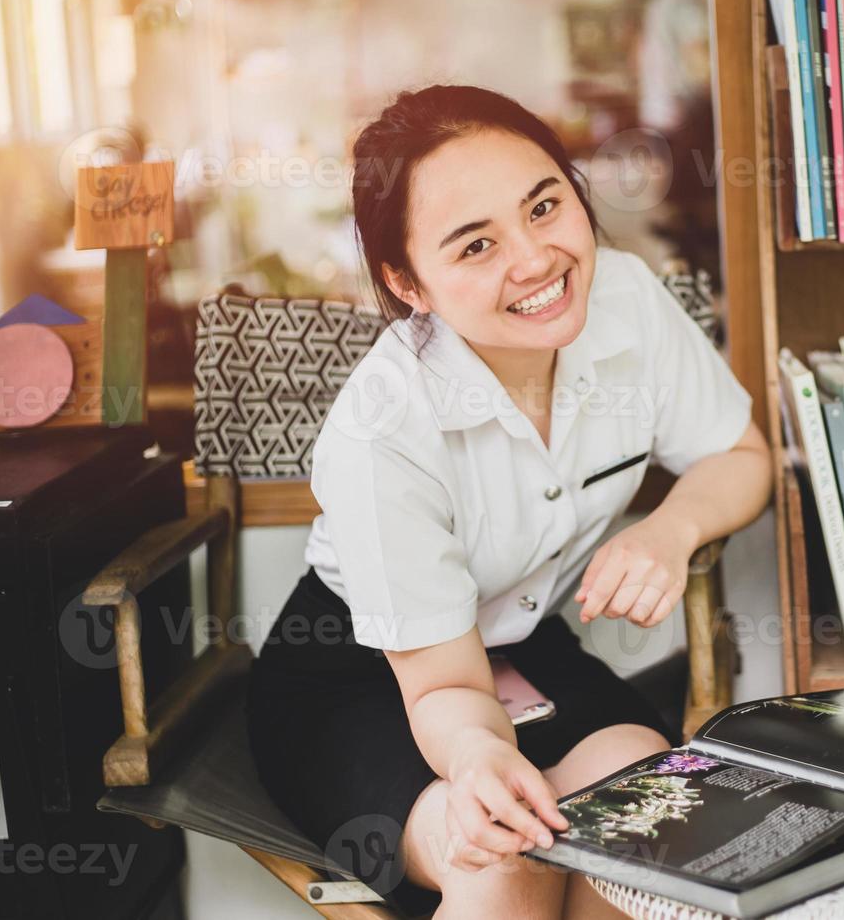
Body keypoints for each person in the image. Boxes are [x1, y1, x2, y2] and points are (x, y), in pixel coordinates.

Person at [246, 84, 772, 918]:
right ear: (407, 281)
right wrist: (479, 763)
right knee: (507, 860)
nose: (534, 261)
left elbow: (740, 457)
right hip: (365, 680)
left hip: (521, 645)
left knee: (646, 813)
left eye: (543, 206)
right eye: (475, 246)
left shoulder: (628, 301)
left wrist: (673, 530)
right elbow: (443, 690)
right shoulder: (382, 430)